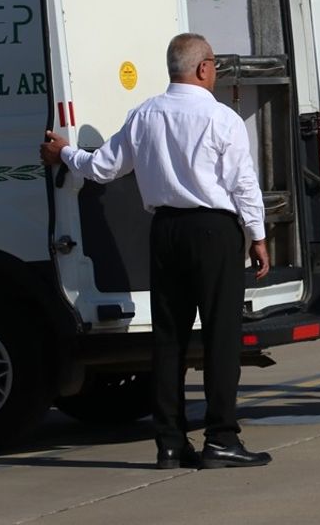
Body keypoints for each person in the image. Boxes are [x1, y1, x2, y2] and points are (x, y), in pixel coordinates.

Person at [40, 33, 271, 469]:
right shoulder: (222, 119)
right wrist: (257, 236)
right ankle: (221, 438)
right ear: (203, 68)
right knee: (221, 338)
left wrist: (65, 154)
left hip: (165, 231)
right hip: (212, 231)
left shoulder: (145, 114)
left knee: (169, 340)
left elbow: (104, 168)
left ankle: (169, 441)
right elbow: (243, 185)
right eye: (214, 65)